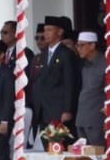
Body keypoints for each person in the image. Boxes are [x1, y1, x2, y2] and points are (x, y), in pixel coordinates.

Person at [32, 15, 79, 143]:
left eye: (49, 30)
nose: (46, 34)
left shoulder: (66, 54)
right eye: (45, 30)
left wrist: (67, 110)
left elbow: (70, 83)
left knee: (59, 145)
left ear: (59, 32)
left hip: (58, 109)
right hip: (42, 109)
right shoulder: (42, 55)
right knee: (47, 146)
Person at [73, 30, 105, 147]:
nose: (79, 48)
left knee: (98, 156)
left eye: (82, 45)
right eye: (77, 45)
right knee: (83, 158)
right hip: (82, 117)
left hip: (96, 119)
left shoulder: (105, 64)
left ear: (92, 45)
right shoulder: (85, 65)